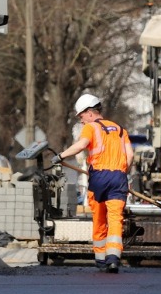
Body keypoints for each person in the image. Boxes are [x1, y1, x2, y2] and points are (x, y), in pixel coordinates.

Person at [56, 93, 131, 273]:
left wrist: (60, 156)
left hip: (99, 178)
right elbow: (130, 156)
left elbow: (81, 145)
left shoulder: (91, 128)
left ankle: (100, 259)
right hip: (119, 177)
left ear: (90, 113)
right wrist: (120, 173)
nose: (81, 121)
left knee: (99, 218)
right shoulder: (120, 129)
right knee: (115, 219)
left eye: (81, 116)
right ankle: (113, 258)